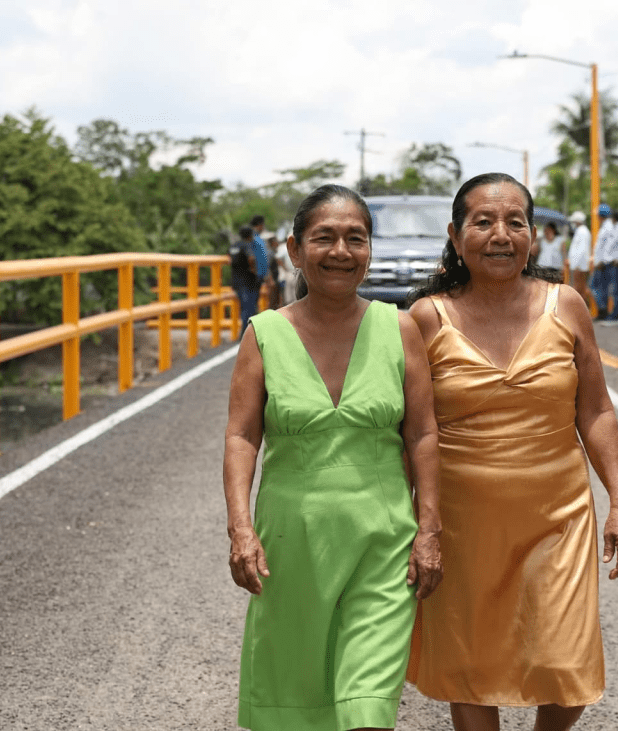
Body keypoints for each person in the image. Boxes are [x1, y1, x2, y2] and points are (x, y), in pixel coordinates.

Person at [405, 173, 618, 731]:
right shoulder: (425, 319)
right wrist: (419, 526)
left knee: (564, 663)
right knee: (471, 666)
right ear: (456, 235)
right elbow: (409, 430)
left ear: (533, 235)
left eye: (515, 222)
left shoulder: (567, 305)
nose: (500, 234)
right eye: (483, 222)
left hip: (557, 515)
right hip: (462, 522)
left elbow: (596, 410)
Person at [223, 185, 444, 731]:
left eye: (356, 239)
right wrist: (240, 530)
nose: (341, 251)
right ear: (296, 250)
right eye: (325, 238)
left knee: (367, 708)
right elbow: (241, 436)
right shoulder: (265, 335)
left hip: (384, 540)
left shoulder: (400, 328)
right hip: (291, 543)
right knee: (296, 702)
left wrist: (430, 529)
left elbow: (421, 433)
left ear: (370, 250)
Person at [565, 210, 597, 315]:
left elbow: (582, 250)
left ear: (577, 221)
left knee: (579, 288)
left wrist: (577, 264)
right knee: (581, 288)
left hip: (579, 265)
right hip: (579, 264)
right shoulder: (582, 231)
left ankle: (582, 312)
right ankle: (583, 312)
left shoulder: (582, 232)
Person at [229, 225, 260, 322]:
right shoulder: (247, 245)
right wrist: (253, 269)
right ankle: (245, 334)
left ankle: (244, 333)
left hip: (236, 281)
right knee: (249, 309)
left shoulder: (233, 246)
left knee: (244, 307)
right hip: (247, 281)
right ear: (250, 236)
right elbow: (251, 258)